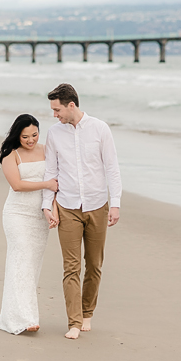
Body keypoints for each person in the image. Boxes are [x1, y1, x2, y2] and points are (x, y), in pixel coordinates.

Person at [42, 84, 121, 340]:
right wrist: (47, 205)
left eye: (57, 109)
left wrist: (116, 202)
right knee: (71, 267)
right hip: (68, 207)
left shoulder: (100, 129)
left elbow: (112, 168)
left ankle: (87, 312)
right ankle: (74, 322)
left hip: (97, 205)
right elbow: (51, 171)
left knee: (94, 265)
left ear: (71, 105)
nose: (54, 115)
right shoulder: (54, 133)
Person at [0, 114, 59, 334]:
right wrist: (47, 184)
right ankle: (25, 319)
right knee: (20, 261)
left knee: (32, 265)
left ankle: (18, 313)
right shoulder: (10, 155)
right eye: (25, 136)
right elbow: (17, 185)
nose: (31, 140)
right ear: (17, 135)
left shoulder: (47, 150)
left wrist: (52, 210)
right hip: (17, 214)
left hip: (40, 217)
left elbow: (56, 185)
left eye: (34, 135)